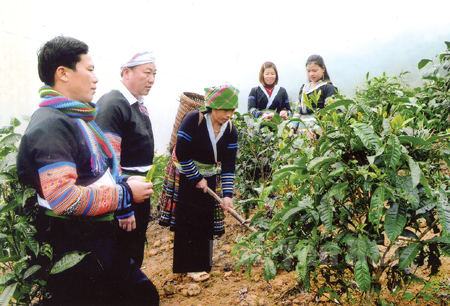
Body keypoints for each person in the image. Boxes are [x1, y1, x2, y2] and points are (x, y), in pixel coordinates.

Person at [17, 36, 159, 306]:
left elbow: (90, 173)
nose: (95, 78)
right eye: (90, 69)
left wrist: (125, 181)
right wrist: (125, 193)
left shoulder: (73, 118)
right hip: (76, 245)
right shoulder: (51, 126)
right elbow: (64, 198)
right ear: (63, 73)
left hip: (92, 239)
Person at [171, 84, 239, 281]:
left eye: (232, 111)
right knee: (188, 217)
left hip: (210, 176)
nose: (229, 115)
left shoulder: (231, 130)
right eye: (225, 110)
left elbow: (228, 164)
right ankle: (188, 266)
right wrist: (196, 178)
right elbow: (182, 151)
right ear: (214, 107)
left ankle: (202, 264)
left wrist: (227, 196)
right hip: (187, 173)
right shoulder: (194, 120)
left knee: (205, 219)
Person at [95, 51, 156, 268]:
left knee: (134, 252)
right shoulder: (113, 104)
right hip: (125, 196)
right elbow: (108, 160)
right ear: (126, 72)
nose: (152, 79)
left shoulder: (137, 104)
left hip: (137, 193)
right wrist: (123, 207)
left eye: (154, 74)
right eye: (147, 73)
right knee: (122, 257)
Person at [289, 54, 338, 136]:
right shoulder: (304, 88)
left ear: (323, 69)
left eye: (314, 71)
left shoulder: (328, 88)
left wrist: (315, 131)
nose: (311, 74)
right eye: (308, 71)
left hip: (318, 133)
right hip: (300, 134)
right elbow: (297, 111)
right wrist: (292, 128)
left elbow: (330, 113)